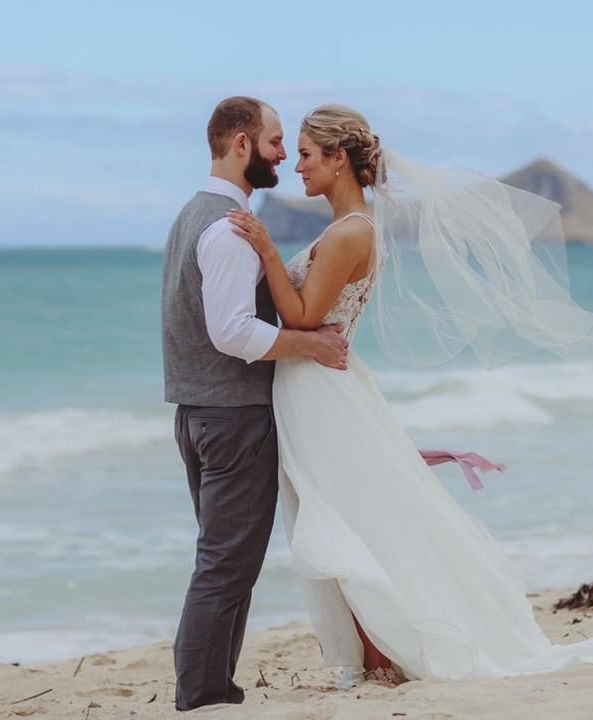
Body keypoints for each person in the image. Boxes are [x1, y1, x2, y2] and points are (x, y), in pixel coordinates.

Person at [226, 103, 593, 687]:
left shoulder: (349, 233)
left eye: (305, 153)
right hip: (317, 387)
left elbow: (302, 314)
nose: (295, 165)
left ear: (338, 158)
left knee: (346, 523)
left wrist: (268, 252)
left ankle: (380, 658)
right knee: (351, 517)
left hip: (321, 391)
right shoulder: (347, 229)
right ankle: (376, 656)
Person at [160, 96, 349, 711]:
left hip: (197, 414)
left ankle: (216, 684)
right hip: (232, 419)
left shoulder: (192, 215)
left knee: (225, 560)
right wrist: (312, 345)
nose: (280, 155)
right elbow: (232, 333)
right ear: (241, 144)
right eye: (273, 142)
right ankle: (202, 694)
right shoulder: (227, 228)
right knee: (225, 564)